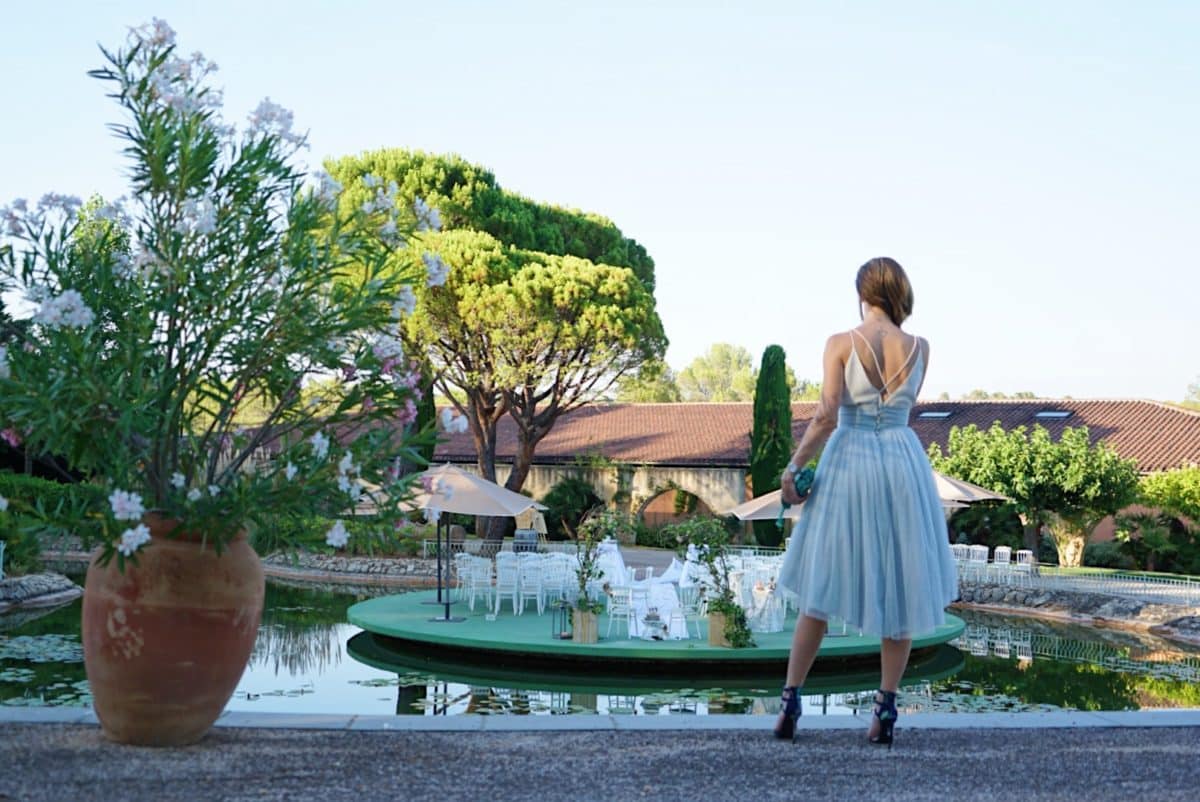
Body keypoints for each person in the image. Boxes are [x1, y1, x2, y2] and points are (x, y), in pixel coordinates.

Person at [773, 257, 958, 747]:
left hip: (850, 460)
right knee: (901, 585)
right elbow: (901, 406)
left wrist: (793, 469)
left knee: (820, 581)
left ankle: (791, 699)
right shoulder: (921, 348)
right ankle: (886, 708)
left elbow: (826, 414)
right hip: (901, 462)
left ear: (862, 294)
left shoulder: (840, 343)